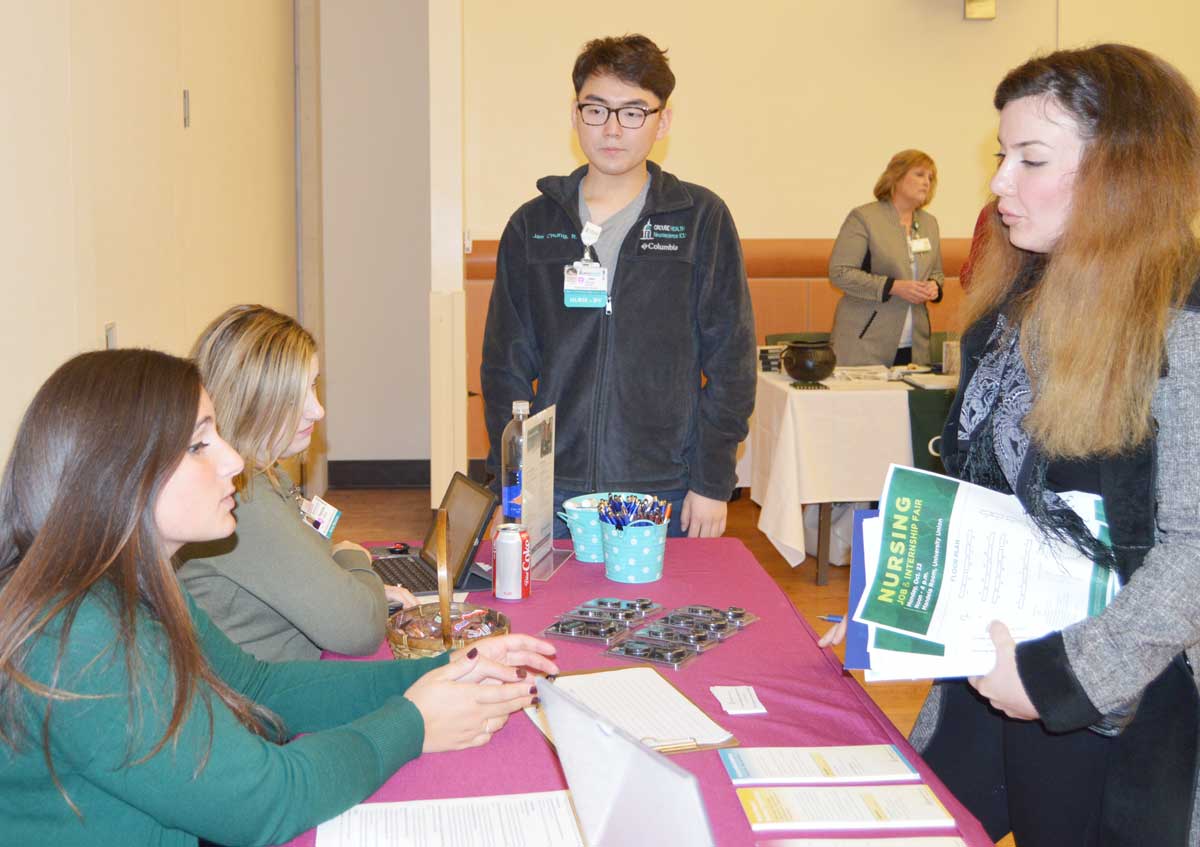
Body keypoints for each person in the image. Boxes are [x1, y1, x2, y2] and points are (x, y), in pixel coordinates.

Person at [823, 44, 1200, 847]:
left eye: (1031, 158)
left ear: (1125, 172)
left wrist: (1063, 676)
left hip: (1113, 701)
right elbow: (978, 485)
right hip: (990, 666)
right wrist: (893, 603)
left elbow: (1194, 551)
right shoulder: (1019, 292)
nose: (997, 183)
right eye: (1003, 155)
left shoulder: (1184, 321)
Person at [0, 349, 557, 846]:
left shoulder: (130, 579)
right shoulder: (78, 636)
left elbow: (254, 684)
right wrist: (412, 723)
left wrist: (448, 669)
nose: (234, 461)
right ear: (117, 476)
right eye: (199, 444)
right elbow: (263, 803)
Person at [481, 34, 756, 540]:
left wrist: (714, 480)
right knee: (551, 619)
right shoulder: (531, 225)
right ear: (575, 113)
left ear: (662, 121)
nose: (612, 129)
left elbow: (731, 364)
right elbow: (505, 369)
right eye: (597, 109)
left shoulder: (701, 219)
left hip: (665, 484)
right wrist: (512, 484)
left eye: (633, 112)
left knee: (659, 619)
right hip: (552, 485)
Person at [178, 305, 415, 662]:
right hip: (259, 705)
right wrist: (352, 558)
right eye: (294, 395)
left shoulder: (263, 477)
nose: (317, 410)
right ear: (251, 401)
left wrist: (353, 579)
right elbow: (360, 630)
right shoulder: (243, 498)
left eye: (313, 387)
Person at [828, 149, 945, 366]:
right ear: (896, 176)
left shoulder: (930, 223)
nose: (926, 182)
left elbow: (936, 272)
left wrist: (934, 286)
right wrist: (893, 286)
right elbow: (840, 273)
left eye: (931, 177)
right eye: (919, 174)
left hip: (915, 345)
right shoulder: (864, 218)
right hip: (866, 341)